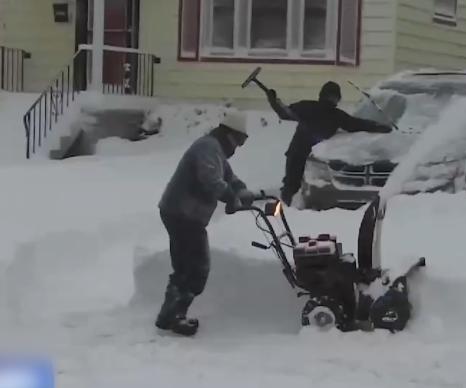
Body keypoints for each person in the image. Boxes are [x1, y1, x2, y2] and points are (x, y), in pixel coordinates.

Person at [155, 111, 255, 336]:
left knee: (185, 266)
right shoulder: (208, 148)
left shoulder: (215, 150)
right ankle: (175, 315)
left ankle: (169, 315)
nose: (237, 147)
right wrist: (231, 198)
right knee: (197, 267)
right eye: (238, 140)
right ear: (229, 134)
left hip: (181, 212)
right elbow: (210, 180)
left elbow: (229, 178)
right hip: (182, 212)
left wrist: (241, 190)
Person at [264, 81, 394, 205]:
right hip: (311, 157)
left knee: (292, 186)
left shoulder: (309, 107)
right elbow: (357, 124)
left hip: (303, 155)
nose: (334, 100)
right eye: (334, 97)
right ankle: (290, 210)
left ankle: (288, 209)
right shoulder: (334, 115)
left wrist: (273, 101)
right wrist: (379, 127)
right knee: (298, 186)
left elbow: (285, 113)